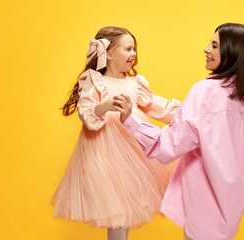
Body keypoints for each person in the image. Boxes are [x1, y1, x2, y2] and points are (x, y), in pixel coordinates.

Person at [114, 23, 244, 240]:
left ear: (232, 53)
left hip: (205, 206)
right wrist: (149, 102)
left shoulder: (205, 91)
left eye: (214, 45)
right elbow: (201, 124)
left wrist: (130, 121)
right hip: (233, 206)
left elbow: (168, 145)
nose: (206, 49)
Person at [50, 26, 181, 240]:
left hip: (133, 154)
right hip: (104, 155)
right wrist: (105, 105)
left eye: (134, 49)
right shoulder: (94, 80)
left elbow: (159, 107)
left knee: (126, 210)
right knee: (117, 210)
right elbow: (86, 113)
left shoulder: (134, 83)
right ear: (109, 54)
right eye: (128, 49)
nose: (134, 54)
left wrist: (191, 112)